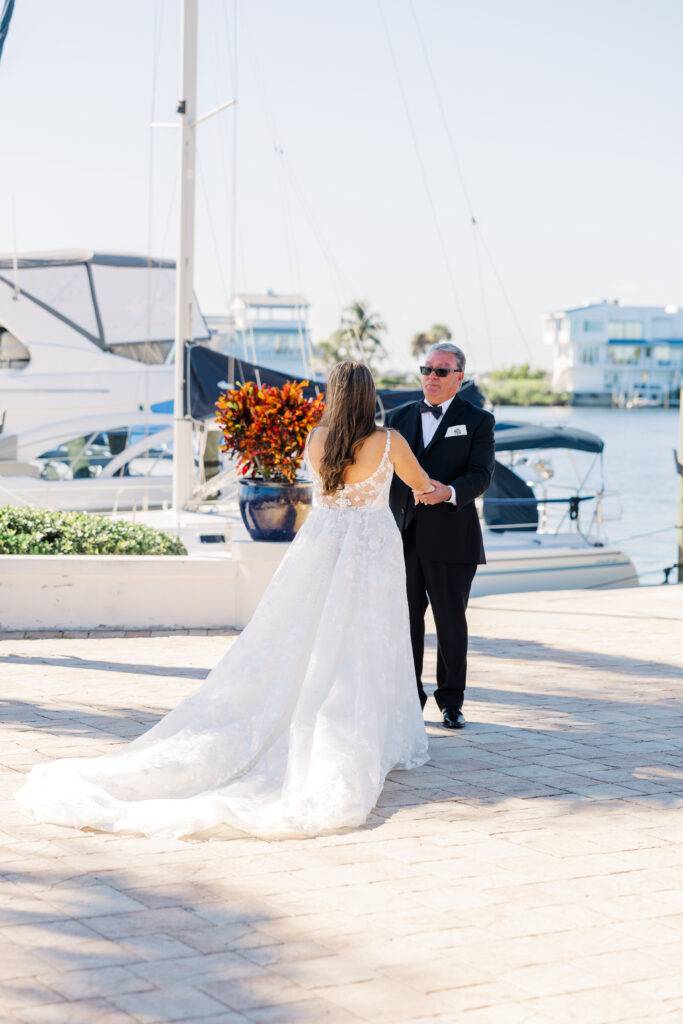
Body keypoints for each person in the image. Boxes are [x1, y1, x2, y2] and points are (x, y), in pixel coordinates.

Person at [16, 362, 434, 840]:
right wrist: (440, 491)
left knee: (308, 639)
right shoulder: (391, 442)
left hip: (320, 548)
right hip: (370, 557)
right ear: (369, 395)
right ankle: (368, 735)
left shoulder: (316, 440)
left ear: (335, 396)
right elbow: (421, 485)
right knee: (365, 641)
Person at [386, 342, 495, 730]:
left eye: (441, 371)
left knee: (451, 623)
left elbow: (480, 475)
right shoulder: (396, 418)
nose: (431, 376)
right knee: (407, 623)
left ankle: (451, 701)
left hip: (453, 538)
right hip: (405, 538)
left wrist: (448, 492)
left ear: (458, 377)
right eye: (427, 369)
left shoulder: (479, 420)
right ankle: (409, 698)